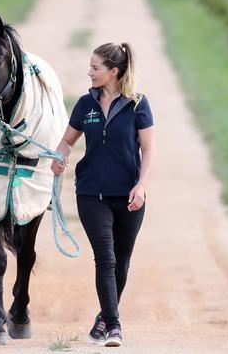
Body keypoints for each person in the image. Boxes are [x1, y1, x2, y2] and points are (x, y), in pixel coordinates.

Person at [51, 42, 155, 347]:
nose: (89, 73)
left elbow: (148, 149)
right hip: (91, 194)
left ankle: (103, 318)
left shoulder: (138, 104)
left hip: (129, 196)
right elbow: (67, 141)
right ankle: (114, 326)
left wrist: (141, 186)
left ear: (113, 71)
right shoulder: (85, 104)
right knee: (106, 259)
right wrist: (60, 156)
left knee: (122, 263)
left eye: (95, 68)